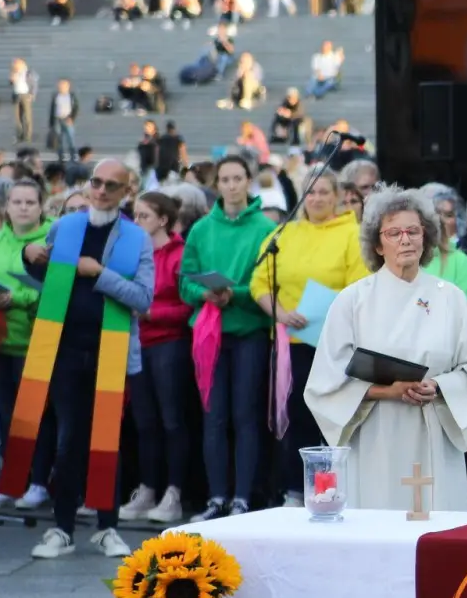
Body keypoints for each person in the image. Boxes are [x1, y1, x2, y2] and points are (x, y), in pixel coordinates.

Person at [306, 187, 467, 509]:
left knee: (434, 525)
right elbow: (325, 383)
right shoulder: (352, 301)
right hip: (376, 434)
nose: (405, 239)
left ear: (427, 236)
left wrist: (438, 386)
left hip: (433, 429)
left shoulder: (451, 298)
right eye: (394, 232)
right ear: (378, 244)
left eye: (413, 230)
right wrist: (387, 392)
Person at [14, 159, 154, 560]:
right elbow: (50, 276)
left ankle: (107, 526)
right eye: (97, 182)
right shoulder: (67, 226)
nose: (102, 190)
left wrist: (100, 273)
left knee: (107, 438)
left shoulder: (136, 238)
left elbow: (143, 299)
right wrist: (31, 255)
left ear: (127, 192)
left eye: (112, 185)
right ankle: (62, 527)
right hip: (63, 347)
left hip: (110, 348)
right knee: (69, 438)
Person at [250, 170, 369, 507]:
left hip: (333, 345)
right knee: (297, 418)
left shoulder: (351, 234)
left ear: (336, 196)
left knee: (330, 420)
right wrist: (280, 312)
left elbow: (358, 287)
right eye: (310, 192)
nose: (316, 198)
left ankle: (330, 490)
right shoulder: (284, 233)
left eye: (323, 192)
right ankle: (294, 490)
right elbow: (259, 282)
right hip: (293, 343)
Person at [180, 155, 277, 520]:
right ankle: (217, 496)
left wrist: (233, 294)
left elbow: (268, 282)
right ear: (216, 184)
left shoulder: (264, 228)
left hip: (249, 330)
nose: (232, 185)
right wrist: (203, 293)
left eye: (238, 178)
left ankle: (243, 497)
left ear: (249, 182)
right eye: (225, 179)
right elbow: (185, 279)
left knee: (245, 415)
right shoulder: (202, 229)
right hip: (210, 333)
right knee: (213, 416)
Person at [116, 193, 194, 523]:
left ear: (163, 220)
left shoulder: (180, 255)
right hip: (137, 343)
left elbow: (187, 303)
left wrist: (150, 312)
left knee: (172, 421)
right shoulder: (133, 252)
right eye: (135, 215)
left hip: (169, 345)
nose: (137, 222)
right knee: (144, 421)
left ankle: (173, 492)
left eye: (144, 216)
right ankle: (148, 488)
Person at [0, 179, 51, 509]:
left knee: (36, 415)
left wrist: (15, 298)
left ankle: (39, 481)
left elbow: (51, 285)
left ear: (41, 206)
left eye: (30, 202)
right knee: (6, 413)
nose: (23, 207)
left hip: (37, 339)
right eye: (16, 202)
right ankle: (10, 481)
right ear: (6, 206)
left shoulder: (52, 238)